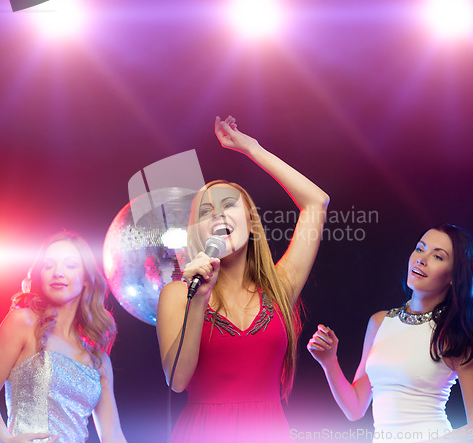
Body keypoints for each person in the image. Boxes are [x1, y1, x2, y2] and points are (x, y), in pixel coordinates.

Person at [156, 115, 330, 442]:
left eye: (228, 205)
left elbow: (316, 203)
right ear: (197, 233)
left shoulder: (280, 286)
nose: (218, 214)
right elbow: (177, 381)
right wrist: (199, 301)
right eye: (205, 212)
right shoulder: (179, 293)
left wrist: (251, 148)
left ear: (250, 222)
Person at [308, 224, 473, 442]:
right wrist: (329, 361)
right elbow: (355, 409)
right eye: (420, 249)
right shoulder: (380, 322)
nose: (422, 259)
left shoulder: (455, 335)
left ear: (454, 276)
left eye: (438, 256)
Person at [0, 231, 128, 443]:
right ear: (40, 274)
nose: (58, 272)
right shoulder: (23, 323)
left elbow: (113, 436)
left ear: (86, 279)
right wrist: (4, 438)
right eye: (48, 265)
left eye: (70, 265)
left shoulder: (99, 361)